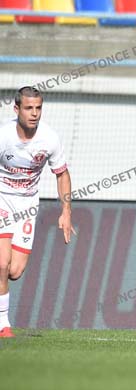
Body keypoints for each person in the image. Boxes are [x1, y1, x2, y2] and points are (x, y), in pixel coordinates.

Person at [0, 86, 74, 338]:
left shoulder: (49, 138)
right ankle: (3, 325)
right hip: (2, 199)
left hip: (27, 205)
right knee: (1, 262)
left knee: (14, 271)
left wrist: (66, 211)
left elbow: (62, 174)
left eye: (38, 108)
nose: (34, 113)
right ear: (16, 109)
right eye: (29, 108)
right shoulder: (3, 135)